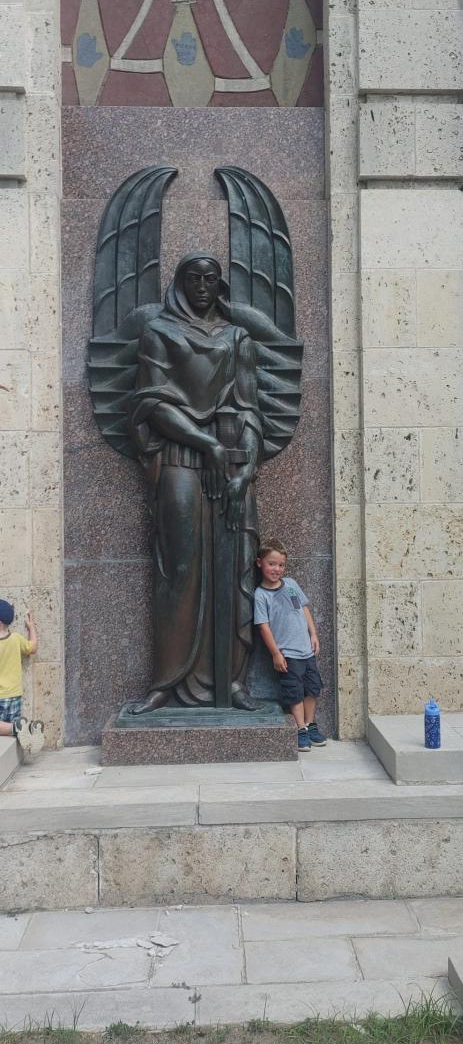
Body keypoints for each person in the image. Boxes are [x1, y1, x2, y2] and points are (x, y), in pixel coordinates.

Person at [128, 253, 262, 712]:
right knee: (179, 568)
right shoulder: (159, 333)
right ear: (180, 283)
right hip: (181, 458)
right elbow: (152, 404)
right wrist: (206, 444)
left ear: (219, 284)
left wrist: (245, 469)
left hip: (230, 464)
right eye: (193, 278)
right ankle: (165, 681)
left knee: (236, 566)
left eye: (210, 278)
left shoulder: (238, 338)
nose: (202, 285)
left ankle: (233, 682)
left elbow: (249, 409)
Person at [254, 539, 327, 752]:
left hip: (306, 650)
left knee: (312, 689)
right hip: (288, 654)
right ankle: (300, 728)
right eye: (272, 564)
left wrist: (313, 634)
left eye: (281, 565)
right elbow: (263, 627)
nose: (277, 569)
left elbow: (303, 609)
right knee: (294, 692)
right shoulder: (261, 596)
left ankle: (311, 725)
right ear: (260, 563)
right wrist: (276, 654)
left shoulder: (292, 585)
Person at [0, 601, 44, 755]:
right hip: (15, 694)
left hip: (0, 696)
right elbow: (33, 647)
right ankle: (29, 729)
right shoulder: (16, 639)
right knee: (12, 727)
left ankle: (17, 727)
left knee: (10, 728)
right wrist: (31, 627)